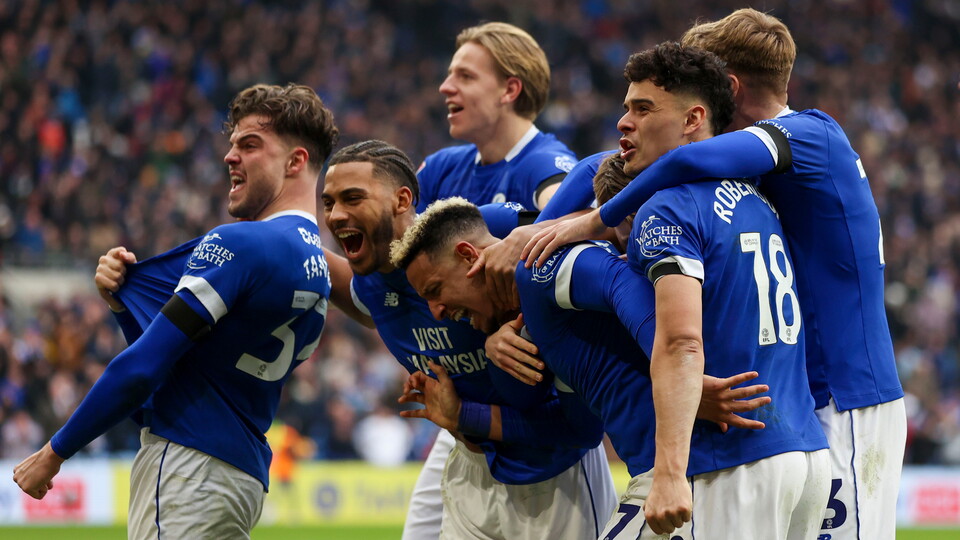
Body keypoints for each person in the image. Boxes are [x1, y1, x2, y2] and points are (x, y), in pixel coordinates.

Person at [398, 42, 831, 539]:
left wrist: (684, 409)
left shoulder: (660, 212)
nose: (624, 121)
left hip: (720, 459)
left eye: (643, 109)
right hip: (802, 452)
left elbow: (669, 332)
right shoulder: (755, 196)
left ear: (692, 119)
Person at [524, 9, 906, 539]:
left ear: (727, 88)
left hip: (848, 396)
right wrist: (538, 230)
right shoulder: (749, 181)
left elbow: (678, 161)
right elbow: (611, 161)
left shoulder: (806, 134)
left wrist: (595, 218)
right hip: (797, 411)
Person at [13, 83, 339, 540]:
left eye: (250, 145)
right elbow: (183, 367)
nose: (229, 156)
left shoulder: (241, 243)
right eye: (232, 144)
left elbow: (143, 368)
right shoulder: (318, 267)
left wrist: (54, 452)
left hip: (188, 468)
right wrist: (123, 305)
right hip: (239, 476)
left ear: (295, 162)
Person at [321, 139, 617, 540]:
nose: (336, 214)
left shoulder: (489, 229)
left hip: (558, 476)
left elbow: (600, 224)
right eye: (328, 202)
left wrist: (527, 240)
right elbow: (315, 263)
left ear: (402, 200)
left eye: (353, 198)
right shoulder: (369, 288)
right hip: (469, 471)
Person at [417, 21, 576, 213]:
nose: (445, 87)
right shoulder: (439, 169)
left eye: (466, 76)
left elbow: (576, 221)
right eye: (450, 75)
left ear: (510, 90)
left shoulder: (544, 164)